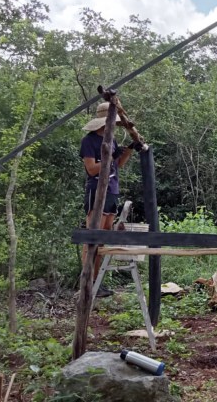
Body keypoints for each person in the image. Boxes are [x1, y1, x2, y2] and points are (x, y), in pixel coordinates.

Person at [79, 102, 139, 297]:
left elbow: (117, 164)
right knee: (92, 238)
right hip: (96, 190)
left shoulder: (111, 140)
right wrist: (110, 156)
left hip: (112, 190)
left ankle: (98, 283)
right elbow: (91, 168)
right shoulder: (89, 141)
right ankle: (87, 281)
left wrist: (128, 150)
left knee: (104, 238)